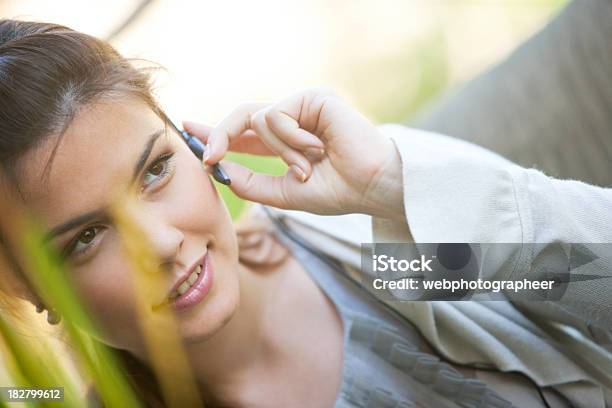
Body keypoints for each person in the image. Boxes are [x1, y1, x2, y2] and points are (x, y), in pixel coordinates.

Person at [0, 5, 609, 407]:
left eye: (156, 169)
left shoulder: (375, 248)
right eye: (86, 238)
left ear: (190, 143)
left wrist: (393, 186)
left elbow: (593, 280)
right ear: (27, 286)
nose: (159, 244)